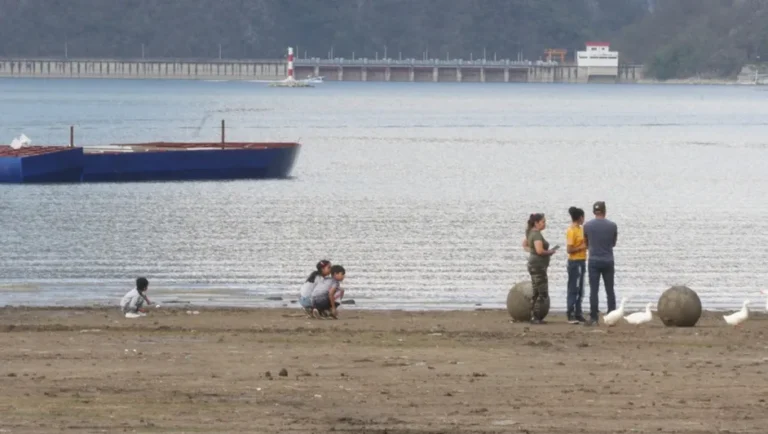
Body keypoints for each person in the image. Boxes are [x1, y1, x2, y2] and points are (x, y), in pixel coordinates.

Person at [583, 201, 618, 326]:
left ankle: (593, 317)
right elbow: (613, 243)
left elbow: (586, 243)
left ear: (594, 212)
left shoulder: (587, 226)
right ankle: (612, 315)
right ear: (605, 211)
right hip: (608, 260)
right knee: (610, 289)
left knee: (594, 290)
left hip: (594, 260)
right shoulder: (612, 225)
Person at [526, 213, 558, 324]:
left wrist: (532, 251)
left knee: (536, 291)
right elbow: (540, 251)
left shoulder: (530, 233)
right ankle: (536, 317)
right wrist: (550, 252)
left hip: (534, 264)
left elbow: (525, 244)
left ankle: (533, 316)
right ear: (536, 223)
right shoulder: (537, 235)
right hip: (538, 266)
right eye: (543, 222)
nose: (545, 224)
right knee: (542, 292)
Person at [565, 207, 587, 324]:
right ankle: (571, 312)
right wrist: (581, 247)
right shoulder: (571, 230)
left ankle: (578, 312)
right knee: (574, 287)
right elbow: (569, 249)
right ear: (580, 218)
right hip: (574, 261)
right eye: (583, 217)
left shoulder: (581, 229)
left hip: (582, 260)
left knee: (581, 288)